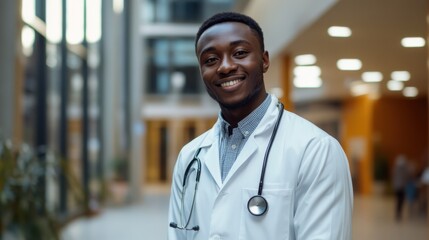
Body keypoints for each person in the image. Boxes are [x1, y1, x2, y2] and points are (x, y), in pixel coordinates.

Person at [168, 12, 353, 240]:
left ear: (264, 60)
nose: (225, 67)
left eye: (240, 53)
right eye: (210, 60)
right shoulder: (189, 157)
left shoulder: (316, 150)